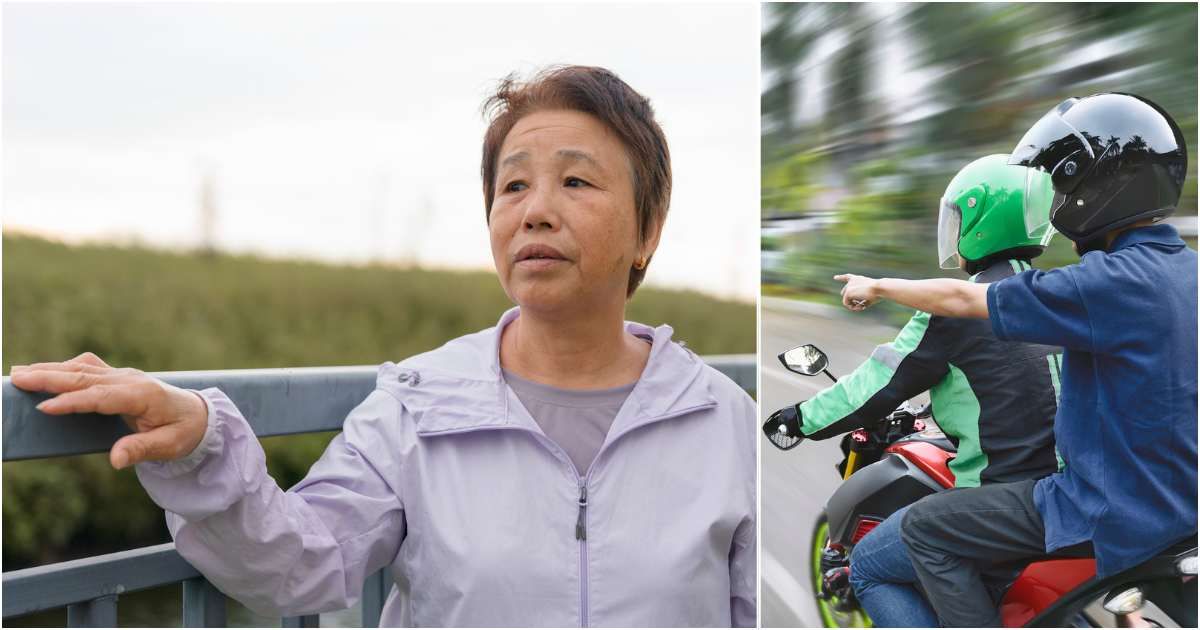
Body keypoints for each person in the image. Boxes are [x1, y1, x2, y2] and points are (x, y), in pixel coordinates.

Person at [10, 65, 757, 627]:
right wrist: (200, 442)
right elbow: (302, 562)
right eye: (513, 186)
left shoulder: (722, 421)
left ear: (648, 230)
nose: (535, 211)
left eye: (576, 182)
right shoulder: (420, 406)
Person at [835, 92, 1197, 626]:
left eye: (1063, 182)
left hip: (1099, 506)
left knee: (910, 538)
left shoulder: (1105, 285)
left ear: (1096, 187)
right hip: (1180, 503)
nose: (1057, 199)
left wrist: (878, 285)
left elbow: (962, 300)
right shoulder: (1188, 272)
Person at [763, 154, 1064, 626]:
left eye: (958, 217)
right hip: (1074, 490)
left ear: (981, 223)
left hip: (1005, 497)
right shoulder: (1058, 292)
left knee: (868, 567)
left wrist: (800, 418)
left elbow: (878, 384)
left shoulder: (955, 310)